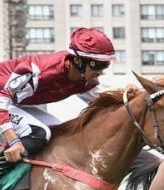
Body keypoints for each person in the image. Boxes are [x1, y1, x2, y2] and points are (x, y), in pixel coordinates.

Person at [0, 28, 116, 165]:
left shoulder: (84, 80)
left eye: (105, 64)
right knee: (40, 133)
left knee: (63, 132)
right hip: (3, 101)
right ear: (78, 61)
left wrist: (130, 92)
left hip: (12, 103)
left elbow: (108, 101)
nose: (101, 71)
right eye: (97, 65)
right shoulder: (38, 71)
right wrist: (13, 141)